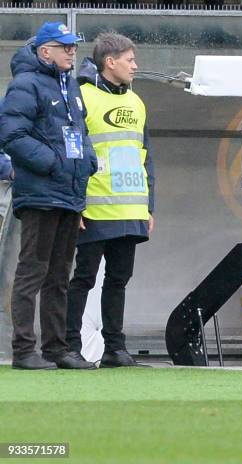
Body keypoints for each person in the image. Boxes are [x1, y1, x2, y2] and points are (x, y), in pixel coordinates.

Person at [0, 22, 98, 370]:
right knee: (33, 272)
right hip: (41, 193)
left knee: (59, 276)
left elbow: (79, 131)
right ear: (45, 51)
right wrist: (53, 163)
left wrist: (88, 160)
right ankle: (25, 351)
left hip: (69, 193)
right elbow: (12, 135)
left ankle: (57, 349)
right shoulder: (25, 85)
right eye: (64, 46)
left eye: (73, 45)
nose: (72, 50)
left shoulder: (70, 85)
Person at [66, 32, 155, 368]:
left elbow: (145, 157)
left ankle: (115, 349)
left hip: (130, 208)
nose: (135, 65)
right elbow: (73, 154)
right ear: (110, 62)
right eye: (130, 60)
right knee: (84, 278)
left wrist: (150, 206)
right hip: (94, 207)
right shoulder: (82, 97)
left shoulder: (137, 101)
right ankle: (70, 345)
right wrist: (76, 204)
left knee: (119, 280)